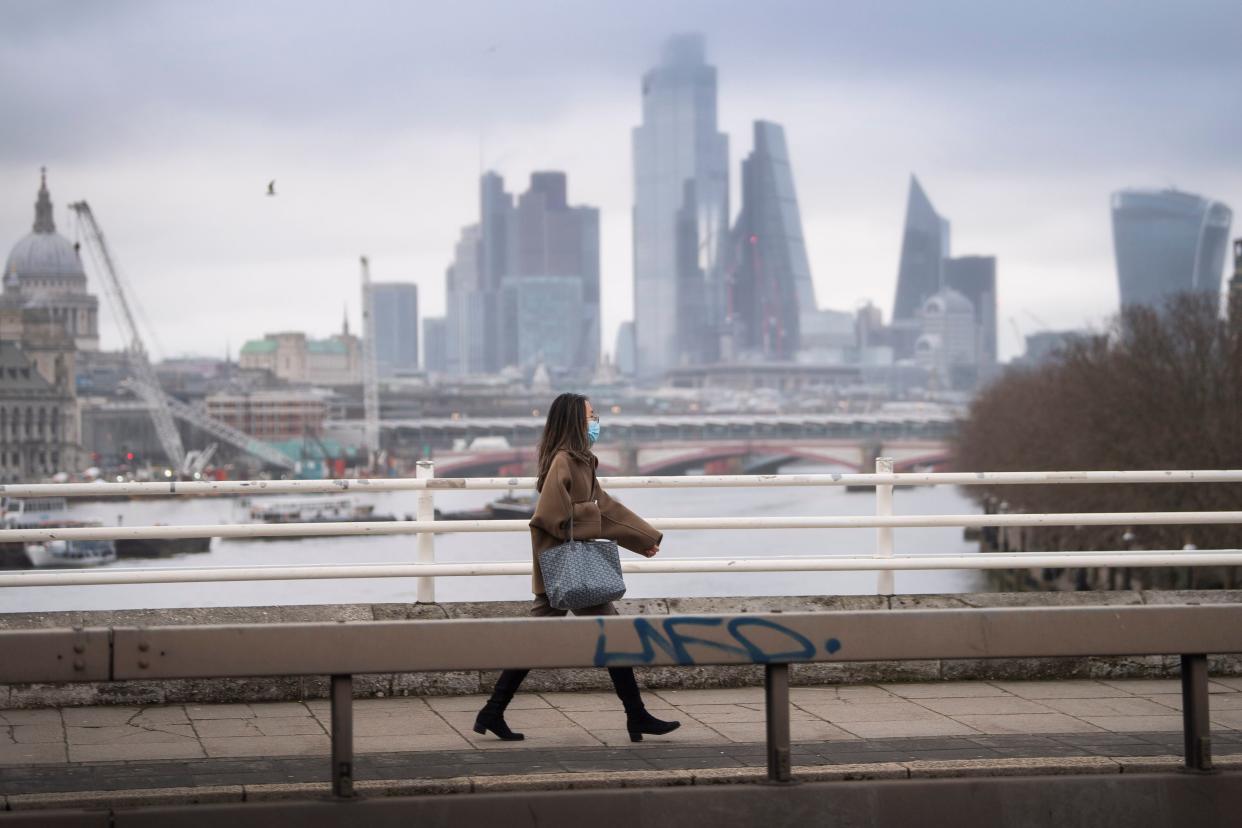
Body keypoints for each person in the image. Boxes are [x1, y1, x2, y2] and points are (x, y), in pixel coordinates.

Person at [474, 392, 681, 743]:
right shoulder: (563, 462)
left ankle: (493, 711)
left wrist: (644, 538)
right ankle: (636, 715)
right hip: (565, 571)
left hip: (574, 571)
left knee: (547, 639)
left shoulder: (583, 461)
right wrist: (592, 514)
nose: (596, 420)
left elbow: (607, 508)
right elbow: (551, 516)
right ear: (574, 420)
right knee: (601, 636)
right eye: (591, 415)